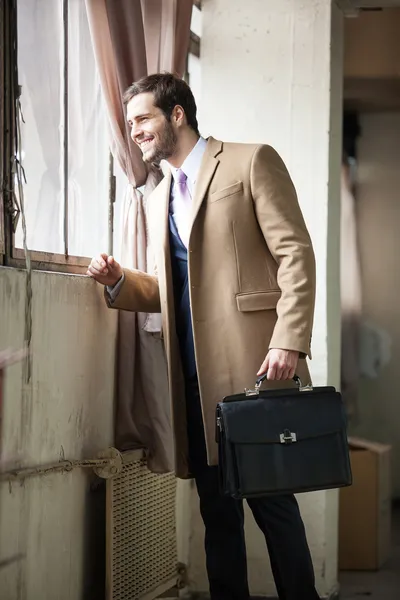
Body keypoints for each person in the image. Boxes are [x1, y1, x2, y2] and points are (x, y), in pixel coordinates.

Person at [88, 73, 319, 600]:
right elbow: (172, 288)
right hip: (190, 376)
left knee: (274, 507)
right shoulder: (158, 197)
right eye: (130, 124)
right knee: (217, 514)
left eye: (143, 118)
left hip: (254, 370)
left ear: (176, 115)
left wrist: (289, 340)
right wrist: (120, 282)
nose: (136, 132)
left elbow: (295, 254)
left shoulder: (251, 160)